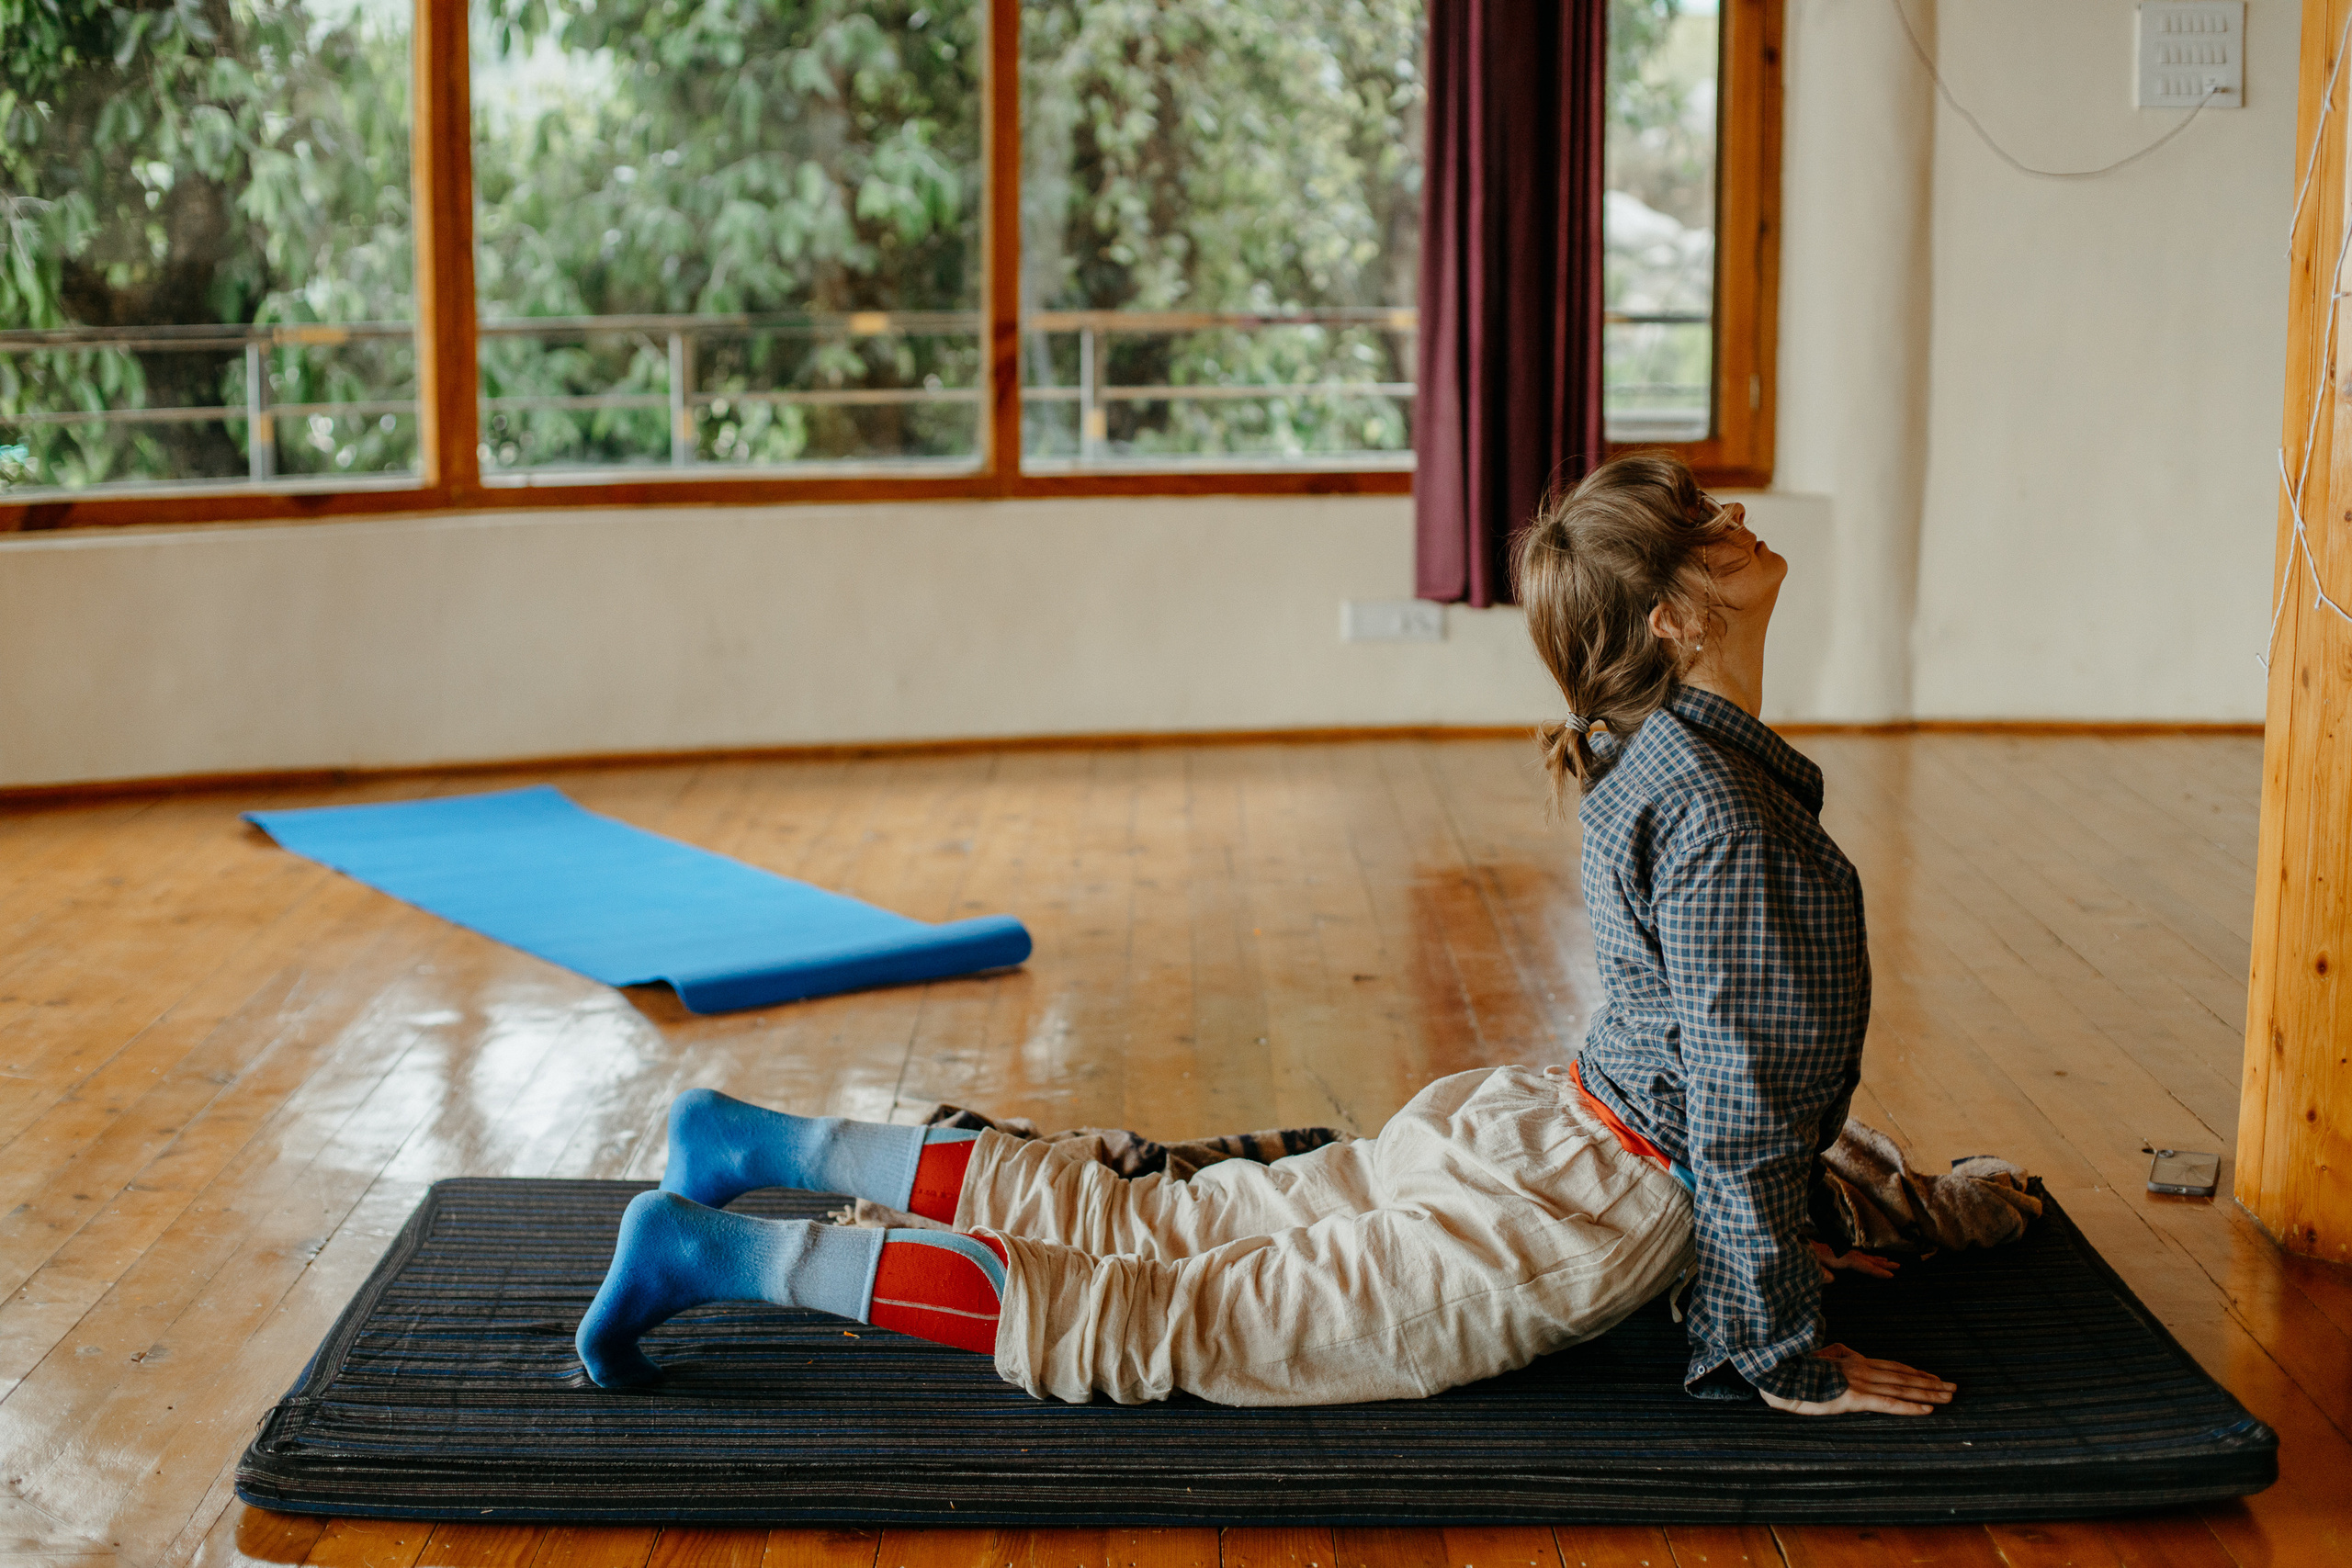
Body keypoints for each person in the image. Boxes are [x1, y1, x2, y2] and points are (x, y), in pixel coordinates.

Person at [575, 452, 1954, 1417]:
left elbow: (1720, 1068)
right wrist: (1778, 1342)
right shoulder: (1729, 813)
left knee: (1153, 1222)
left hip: (1532, 1129)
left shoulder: (1652, 755)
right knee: (1169, 1320)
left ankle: (753, 1147)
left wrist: (1781, 1238)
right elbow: (1739, 1109)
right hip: (1594, 1194)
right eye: (1711, 524)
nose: (1741, 517)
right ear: (1678, 616)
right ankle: (713, 1257)